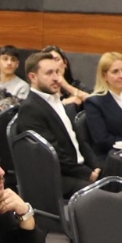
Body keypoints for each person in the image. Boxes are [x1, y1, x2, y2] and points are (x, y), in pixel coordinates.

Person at [17, 48, 96, 195]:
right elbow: (51, 153)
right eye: (49, 73)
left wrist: (94, 166)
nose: (56, 78)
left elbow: (78, 140)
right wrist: (87, 174)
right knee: (104, 196)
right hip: (57, 178)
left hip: (78, 170)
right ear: (33, 77)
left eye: (57, 72)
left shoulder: (55, 100)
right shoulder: (30, 109)